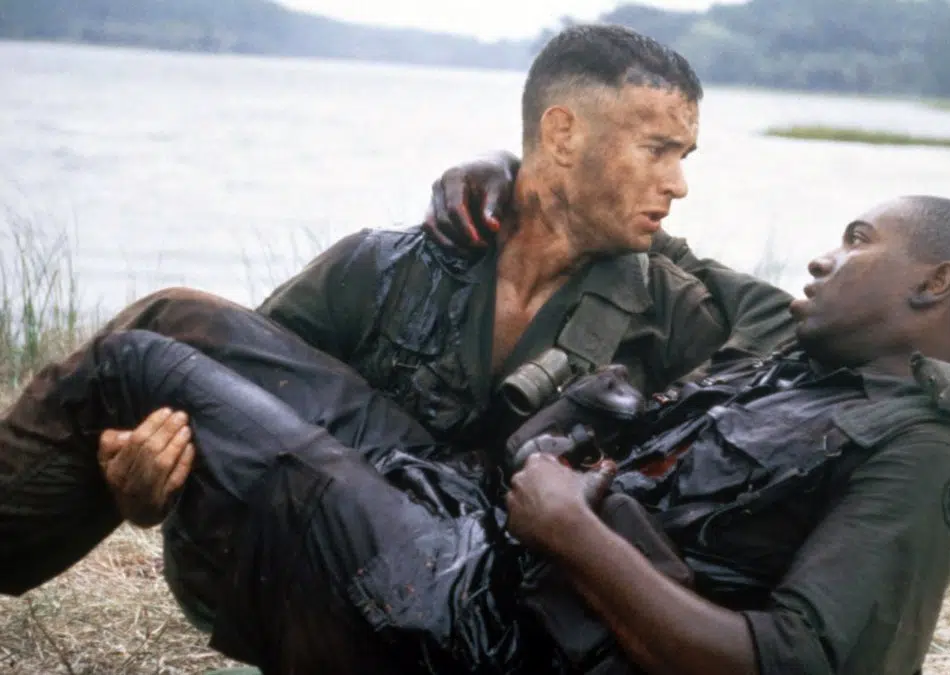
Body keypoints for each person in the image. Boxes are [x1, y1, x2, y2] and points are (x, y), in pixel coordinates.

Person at [1, 193, 950, 675]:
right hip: (476, 529)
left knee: (133, 366)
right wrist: (506, 178)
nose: (822, 261)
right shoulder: (802, 357)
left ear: (934, 285)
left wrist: (573, 533)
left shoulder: (925, 450)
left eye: (858, 243)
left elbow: (799, 668)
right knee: (179, 318)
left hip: (479, 627)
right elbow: (661, 247)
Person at [93, 21, 795, 534]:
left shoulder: (669, 309)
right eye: (656, 150)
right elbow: (231, 407)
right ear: (562, 134)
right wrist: (147, 488)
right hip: (317, 571)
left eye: (683, 157)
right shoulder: (380, 268)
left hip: (484, 613)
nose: (677, 183)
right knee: (169, 330)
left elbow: (791, 338)